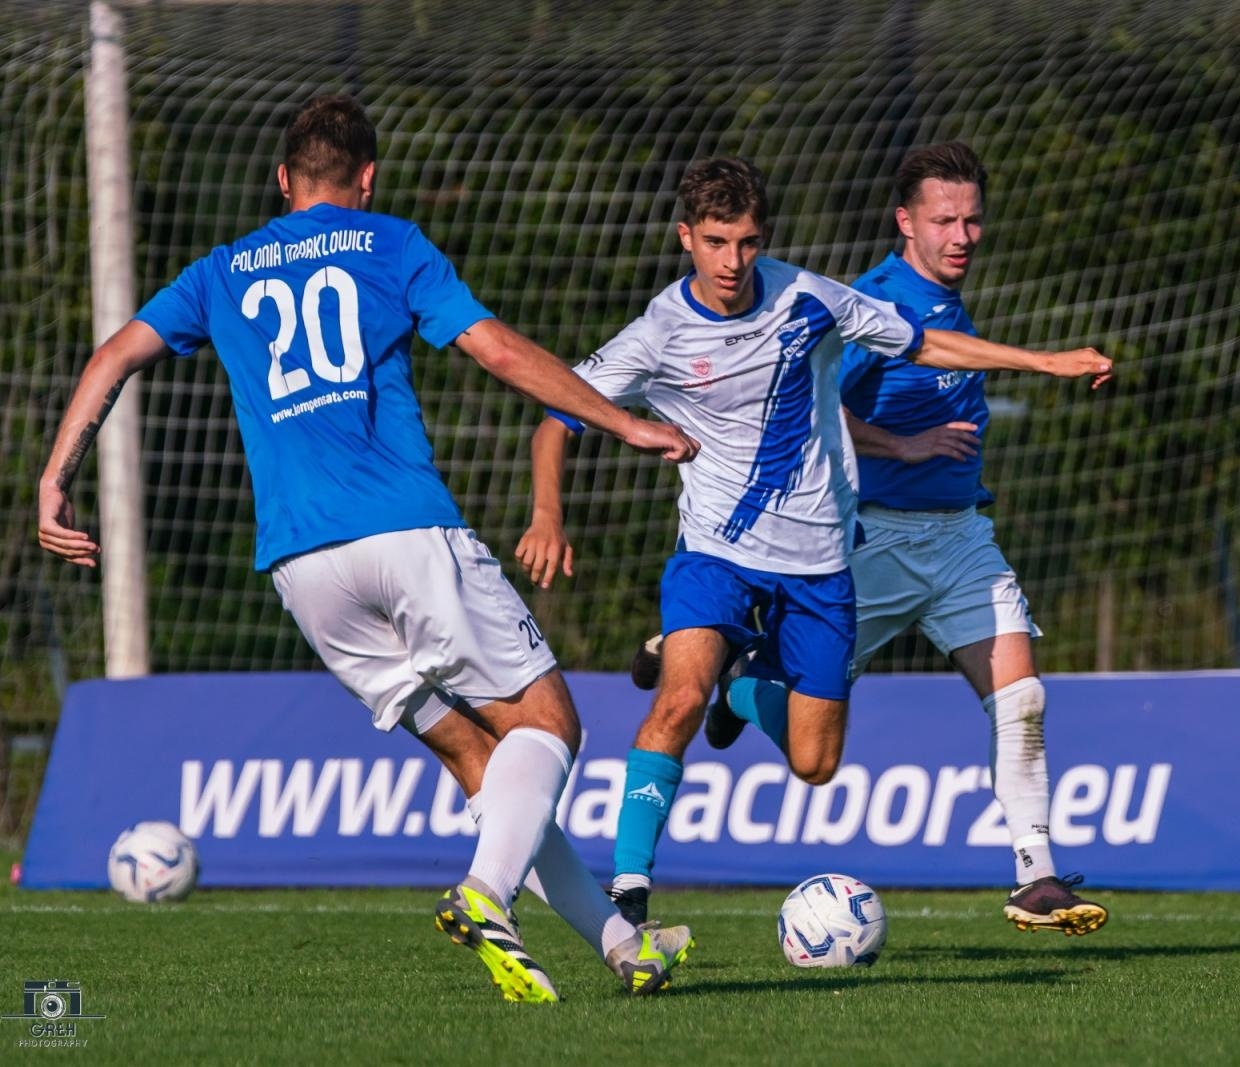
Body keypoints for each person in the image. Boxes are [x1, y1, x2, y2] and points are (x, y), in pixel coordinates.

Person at [36, 94, 698, 1002]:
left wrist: (53, 479)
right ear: (369, 177)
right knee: (548, 726)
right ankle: (484, 894)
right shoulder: (389, 242)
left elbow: (111, 355)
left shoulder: (221, 270)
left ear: (282, 179)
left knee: (482, 759)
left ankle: (624, 947)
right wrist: (621, 422)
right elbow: (496, 349)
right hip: (403, 533)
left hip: (304, 572)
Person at [517, 156, 1111, 927]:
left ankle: (741, 684)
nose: (734, 261)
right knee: (678, 699)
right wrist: (546, 515)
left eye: (749, 242)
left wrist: (1045, 361)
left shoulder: (811, 298)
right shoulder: (660, 329)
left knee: (816, 762)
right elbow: (559, 413)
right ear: (686, 238)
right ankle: (627, 893)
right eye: (717, 242)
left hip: (823, 564)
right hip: (721, 553)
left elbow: (921, 345)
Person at [837, 142, 1108, 937]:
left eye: (973, 219)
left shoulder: (953, 304)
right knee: (799, 713)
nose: (962, 235)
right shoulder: (874, 302)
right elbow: (813, 406)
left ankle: (1037, 877)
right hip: (875, 542)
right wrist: (902, 447)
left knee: (1021, 700)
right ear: (904, 222)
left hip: (961, 541)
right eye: (944, 220)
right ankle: (738, 675)